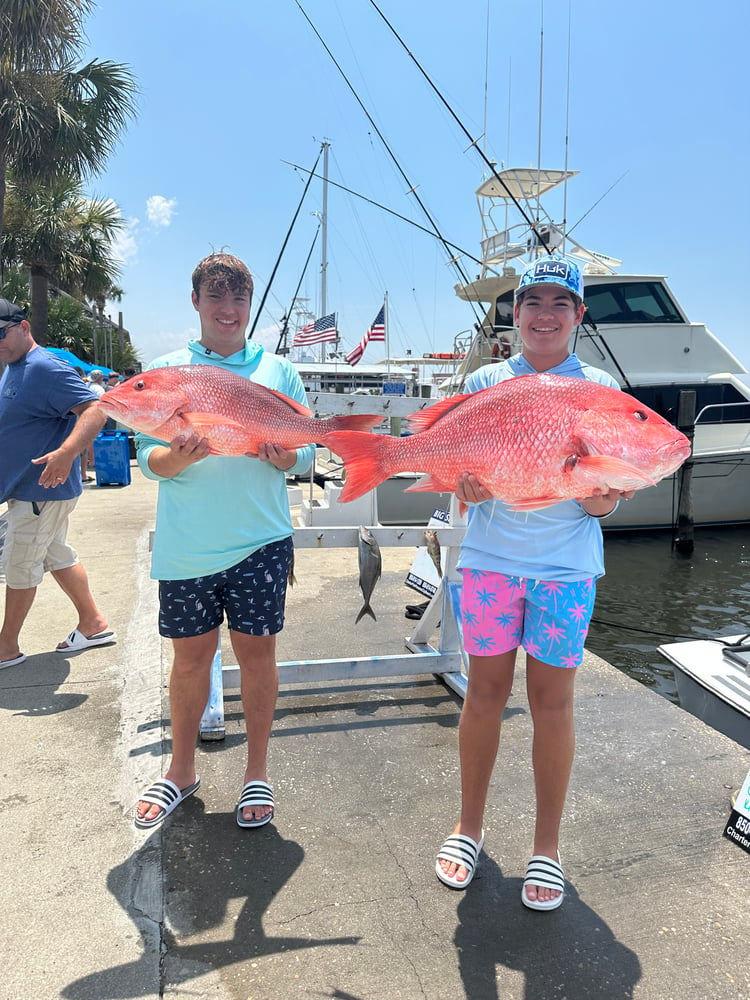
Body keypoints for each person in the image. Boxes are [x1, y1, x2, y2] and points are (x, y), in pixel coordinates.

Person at [435, 256, 633, 910]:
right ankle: (469, 825)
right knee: (483, 695)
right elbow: (469, 468)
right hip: (491, 564)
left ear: (579, 315)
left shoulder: (598, 387)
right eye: (532, 303)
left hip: (565, 572)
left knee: (553, 705)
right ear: (514, 314)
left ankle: (547, 844)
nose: (545, 315)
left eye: (560, 304)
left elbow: (603, 502)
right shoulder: (489, 379)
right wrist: (462, 485)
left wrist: (603, 498)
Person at [134, 253, 315, 831]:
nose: (229, 310)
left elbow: (305, 450)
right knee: (190, 662)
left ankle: (255, 771)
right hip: (189, 545)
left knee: (258, 658)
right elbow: (148, 461)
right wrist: (174, 455)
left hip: (261, 541)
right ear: (196, 303)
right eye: (217, 298)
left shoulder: (279, 371)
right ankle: (180, 770)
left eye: (238, 298)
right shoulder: (167, 370)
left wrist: (284, 454)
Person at [0, 298, 116, 669]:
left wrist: (66, 452)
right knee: (56, 555)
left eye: (0, 333)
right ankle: (93, 623)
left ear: (23, 328)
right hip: (28, 489)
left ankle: (5, 647)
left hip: (40, 490)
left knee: (20, 565)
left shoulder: (43, 367)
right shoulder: (13, 366)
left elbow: (95, 408)